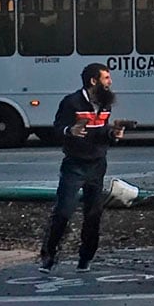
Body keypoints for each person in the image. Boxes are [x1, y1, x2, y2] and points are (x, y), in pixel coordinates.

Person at [39, 63, 126, 273]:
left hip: (97, 164)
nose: (110, 82)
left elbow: (101, 131)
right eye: (106, 78)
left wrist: (113, 135)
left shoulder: (105, 104)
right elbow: (58, 128)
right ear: (93, 81)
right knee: (63, 211)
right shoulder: (71, 102)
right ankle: (49, 255)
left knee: (94, 213)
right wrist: (70, 131)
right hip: (74, 164)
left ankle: (86, 257)